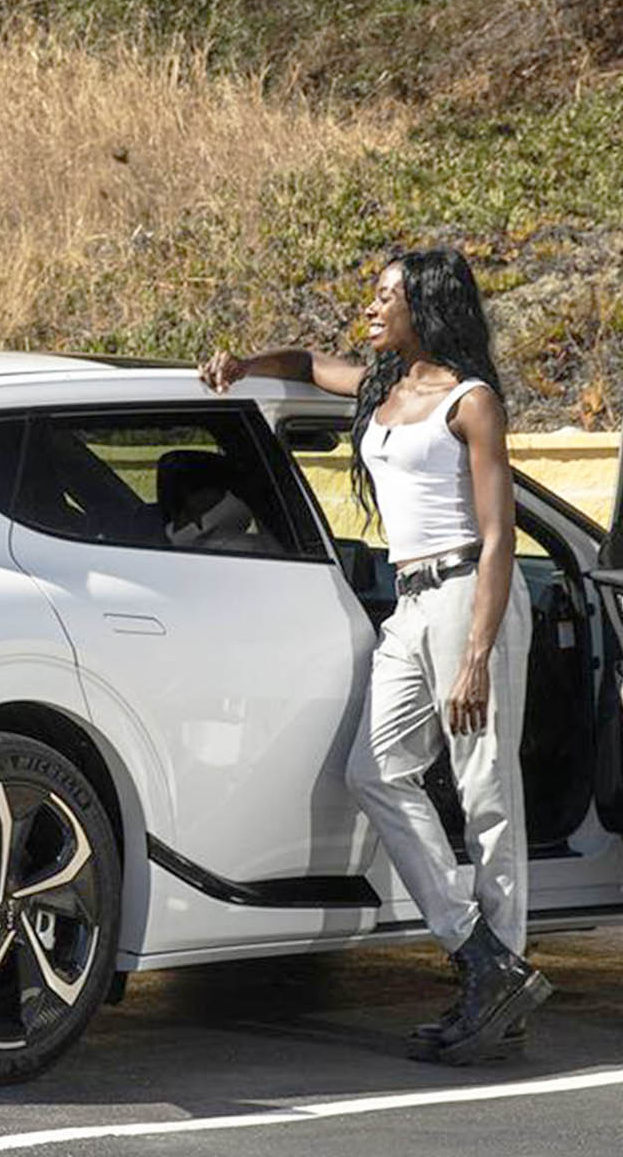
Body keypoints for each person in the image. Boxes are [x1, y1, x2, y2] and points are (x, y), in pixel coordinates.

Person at [201, 247, 549, 1065]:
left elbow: (500, 539)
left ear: (425, 305)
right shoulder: (378, 390)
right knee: (376, 770)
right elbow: (304, 363)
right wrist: (247, 362)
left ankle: (500, 997)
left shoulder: (472, 402)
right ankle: (484, 960)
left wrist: (475, 655)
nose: (372, 305)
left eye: (386, 294)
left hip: (472, 594)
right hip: (410, 599)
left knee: (487, 795)